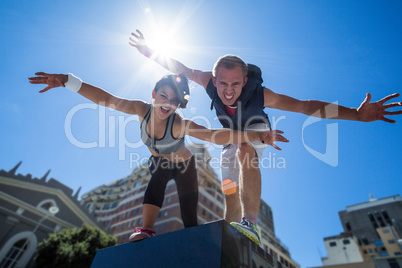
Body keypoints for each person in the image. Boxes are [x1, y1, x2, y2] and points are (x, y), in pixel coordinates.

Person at [129, 29, 402, 245]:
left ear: (245, 81)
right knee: (229, 193)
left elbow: (306, 106)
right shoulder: (207, 81)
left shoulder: (262, 94)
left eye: (235, 84)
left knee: (245, 150)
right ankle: (232, 237)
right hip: (231, 140)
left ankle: (251, 223)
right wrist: (147, 51)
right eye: (222, 83)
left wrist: (356, 113)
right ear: (214, 79)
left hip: (260, 134)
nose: (228, 90)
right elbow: (181, 68)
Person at [28, 72, 288, 242]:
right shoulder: (140, 109)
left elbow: (212, 136)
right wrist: (67, 81)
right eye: (163, 96)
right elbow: (106, 99)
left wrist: (254, 137)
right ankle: (146, 229)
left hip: (186, 167)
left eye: (174, 101)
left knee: (189, 219)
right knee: (156, 182)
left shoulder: (178, 123)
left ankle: (193, 243)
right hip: (159, 163)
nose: (167, 103)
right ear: (154, 95)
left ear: (179, 104)